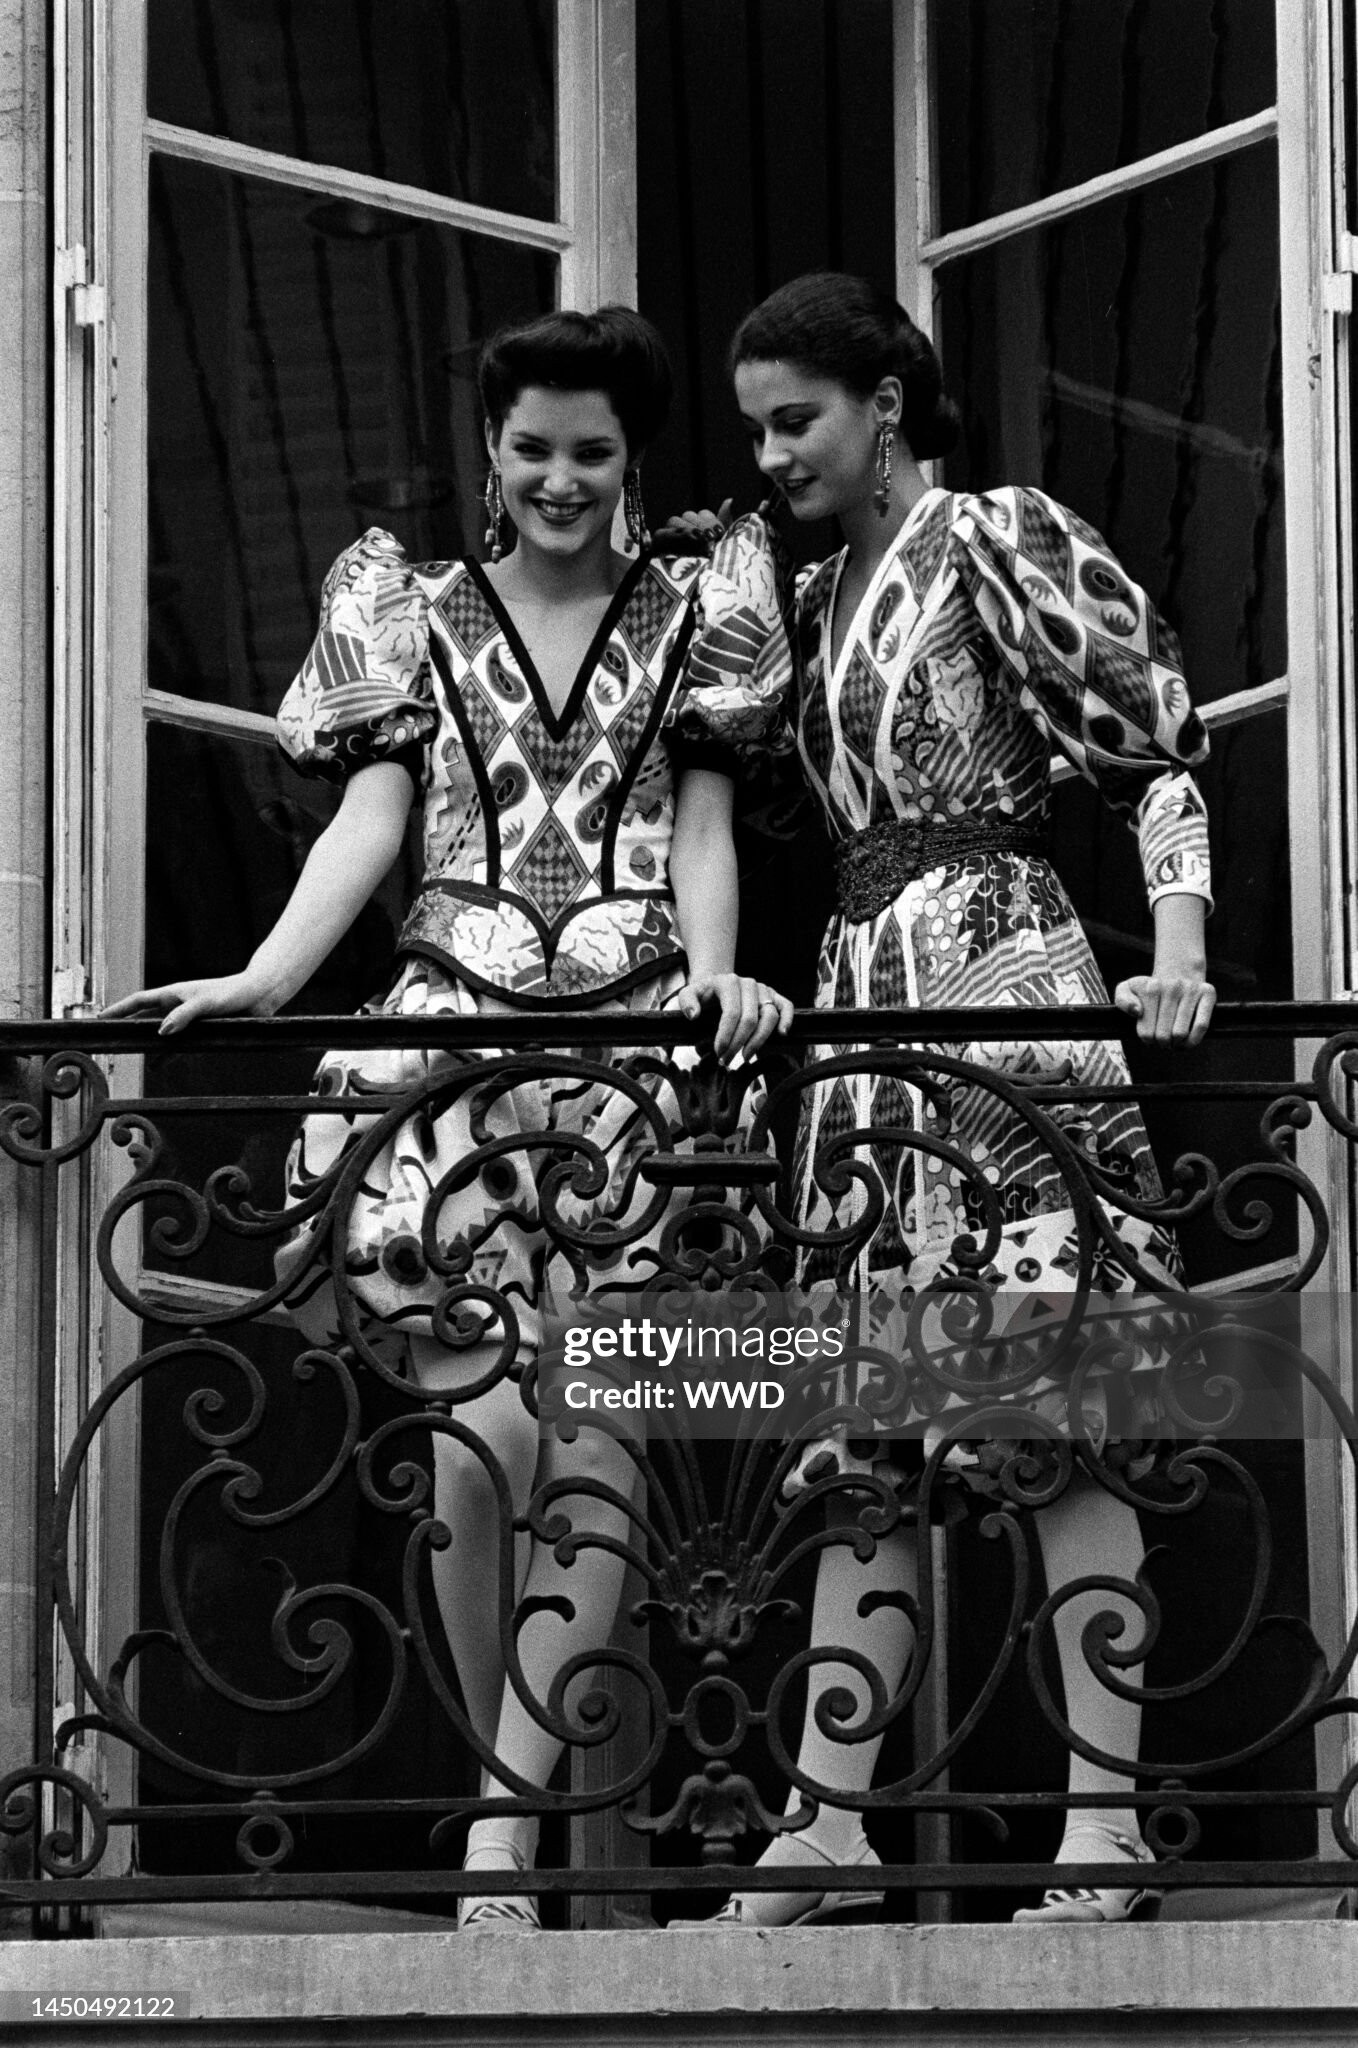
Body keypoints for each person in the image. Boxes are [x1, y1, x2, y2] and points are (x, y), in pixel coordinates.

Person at [105, 306, 794, 1931]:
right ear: (492, 449)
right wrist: (269, 978)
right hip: (452, 1060)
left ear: (630, 461)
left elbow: (703, 824)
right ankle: (522, 1804)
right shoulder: (409, 606)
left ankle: (500, 1837)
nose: (560, 479)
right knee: (480, 1456)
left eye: (592, 453)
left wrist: (713, 982)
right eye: (533, 448)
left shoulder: (695, 615)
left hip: (632, 1060)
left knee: (601, 1443)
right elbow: (373, 814)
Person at [672, 271, 1215, 1929]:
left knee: (1057, 1413)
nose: (772, 453)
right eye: (755, 430)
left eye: (797, 420)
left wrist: (1179, 951)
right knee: (872, 1445)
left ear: (885, 405)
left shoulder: (991, 534)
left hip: (1000, 978)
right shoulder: (803, 592)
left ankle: (1104, 1835)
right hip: (865, 1006)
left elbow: (1153, 750)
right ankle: (826, 1828)